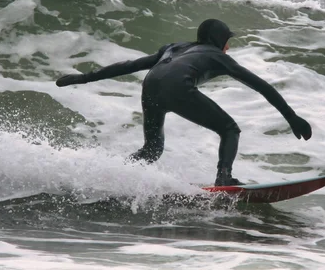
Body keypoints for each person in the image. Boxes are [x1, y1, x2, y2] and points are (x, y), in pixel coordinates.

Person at [55, 19, 312, 186]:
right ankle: (224, 179)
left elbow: (130, 65)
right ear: (220, 41)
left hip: (150, 85)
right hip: (177, 87)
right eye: (227, 42)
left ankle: (112, 176)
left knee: (152, 150)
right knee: (229, 129)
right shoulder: (218, 56)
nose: (228, 48)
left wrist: (84, 78)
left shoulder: (174, 48)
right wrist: (291, 117)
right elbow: (261, 85)